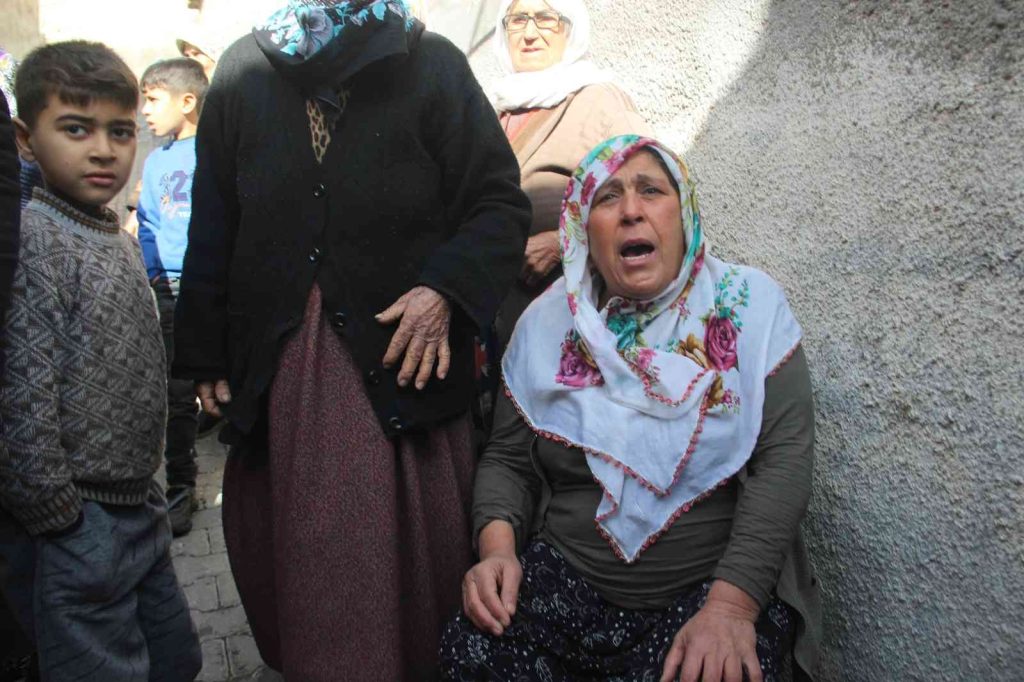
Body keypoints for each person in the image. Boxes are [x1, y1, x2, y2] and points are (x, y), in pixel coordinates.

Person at [172, 1, 531, 679]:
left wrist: (444, 291)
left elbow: (496, 202)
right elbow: (214, 215)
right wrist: (207, 351)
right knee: (306, 567)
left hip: (405, 360)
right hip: (285, 367)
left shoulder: (432, 64)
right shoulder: (243, 71)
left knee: (414, 575)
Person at [441, 136, 822, 681]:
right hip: (567, 584)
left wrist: (732, 608)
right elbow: (508, 459)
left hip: (713, 588)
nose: (632, 212)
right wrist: (497, 552)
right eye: (607, 197)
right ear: (581, 229)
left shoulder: (749, 311)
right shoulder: (546, 325)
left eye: (651, 190)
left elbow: (784, 462)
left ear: (684, 213)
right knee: (474, 652)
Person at [0, 41, 202, 681]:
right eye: (76, 129)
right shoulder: (34, 240)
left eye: (119, 131)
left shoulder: (109, 231)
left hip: (135, 505)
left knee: (174, 656)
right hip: (78, 519)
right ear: (26, 142)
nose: (103, 150)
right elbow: (23, 390)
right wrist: (54, 511)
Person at [491, 0, 652, 350]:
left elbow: (652, 201)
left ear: (571, 28)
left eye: (545, 18)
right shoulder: (495, 113)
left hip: (582, 322)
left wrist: (562, 244)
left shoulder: (598, 100)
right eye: (517, 20)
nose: (529, 33)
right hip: (507, 326)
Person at [137, 57, 209, 536]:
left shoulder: (216, 152)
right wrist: (149, 275)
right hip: (167, 291)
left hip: (210, 287)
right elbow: (145, 224)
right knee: (178, 396)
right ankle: (181, 487)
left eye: (152, 98)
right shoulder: (155, 160)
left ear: (187, 102)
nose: (144, 110)